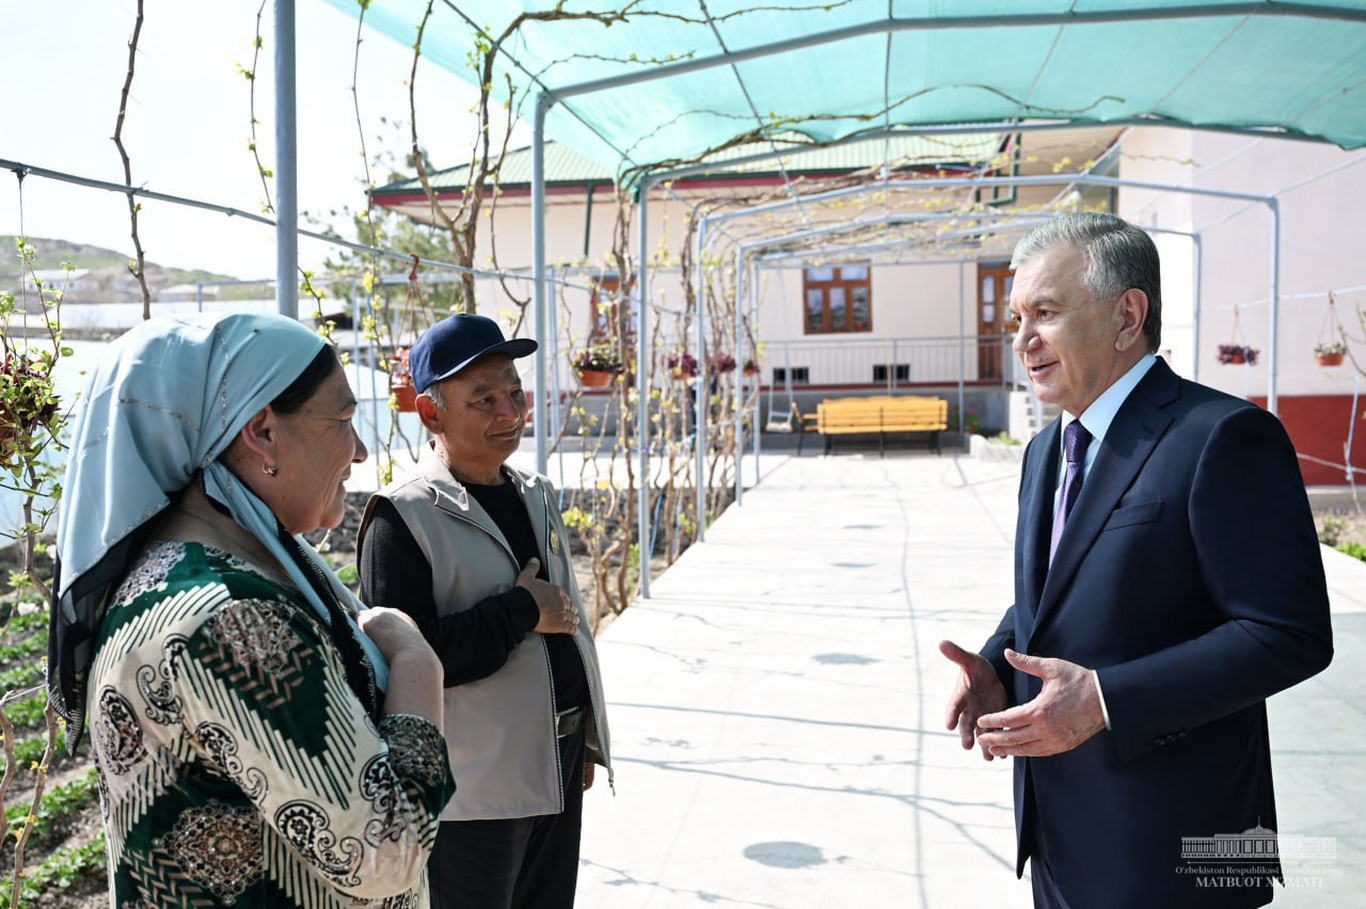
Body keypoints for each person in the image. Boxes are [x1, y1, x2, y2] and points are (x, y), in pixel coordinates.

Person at [939, 213, 1333, 909]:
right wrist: (999, 665)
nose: (1022, 340)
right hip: (1060, 841)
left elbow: (1288, 632)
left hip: (1179, 853)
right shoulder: (1045, 448)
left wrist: (1107, 700)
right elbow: (1058, 590)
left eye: (1046, 312)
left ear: (1128, 314)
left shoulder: (1225, 437)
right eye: (1016, 317)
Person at [47, 312, 455, 908]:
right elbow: (384, 851)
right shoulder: (232, 618)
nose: (362, 450)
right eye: (343, 420)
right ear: (261, 432)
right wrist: (419, 663)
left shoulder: (180, 573)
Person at [358, 313, 611, 909]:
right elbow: (405, 663)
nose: (509, 412)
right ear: (429, 413)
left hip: (555, 759)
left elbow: (565, 617)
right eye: (484, 399)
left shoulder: (535, 493)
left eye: (515, 393)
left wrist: (580, 741)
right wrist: (520, 611)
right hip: (475, 794)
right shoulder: (402, 517)